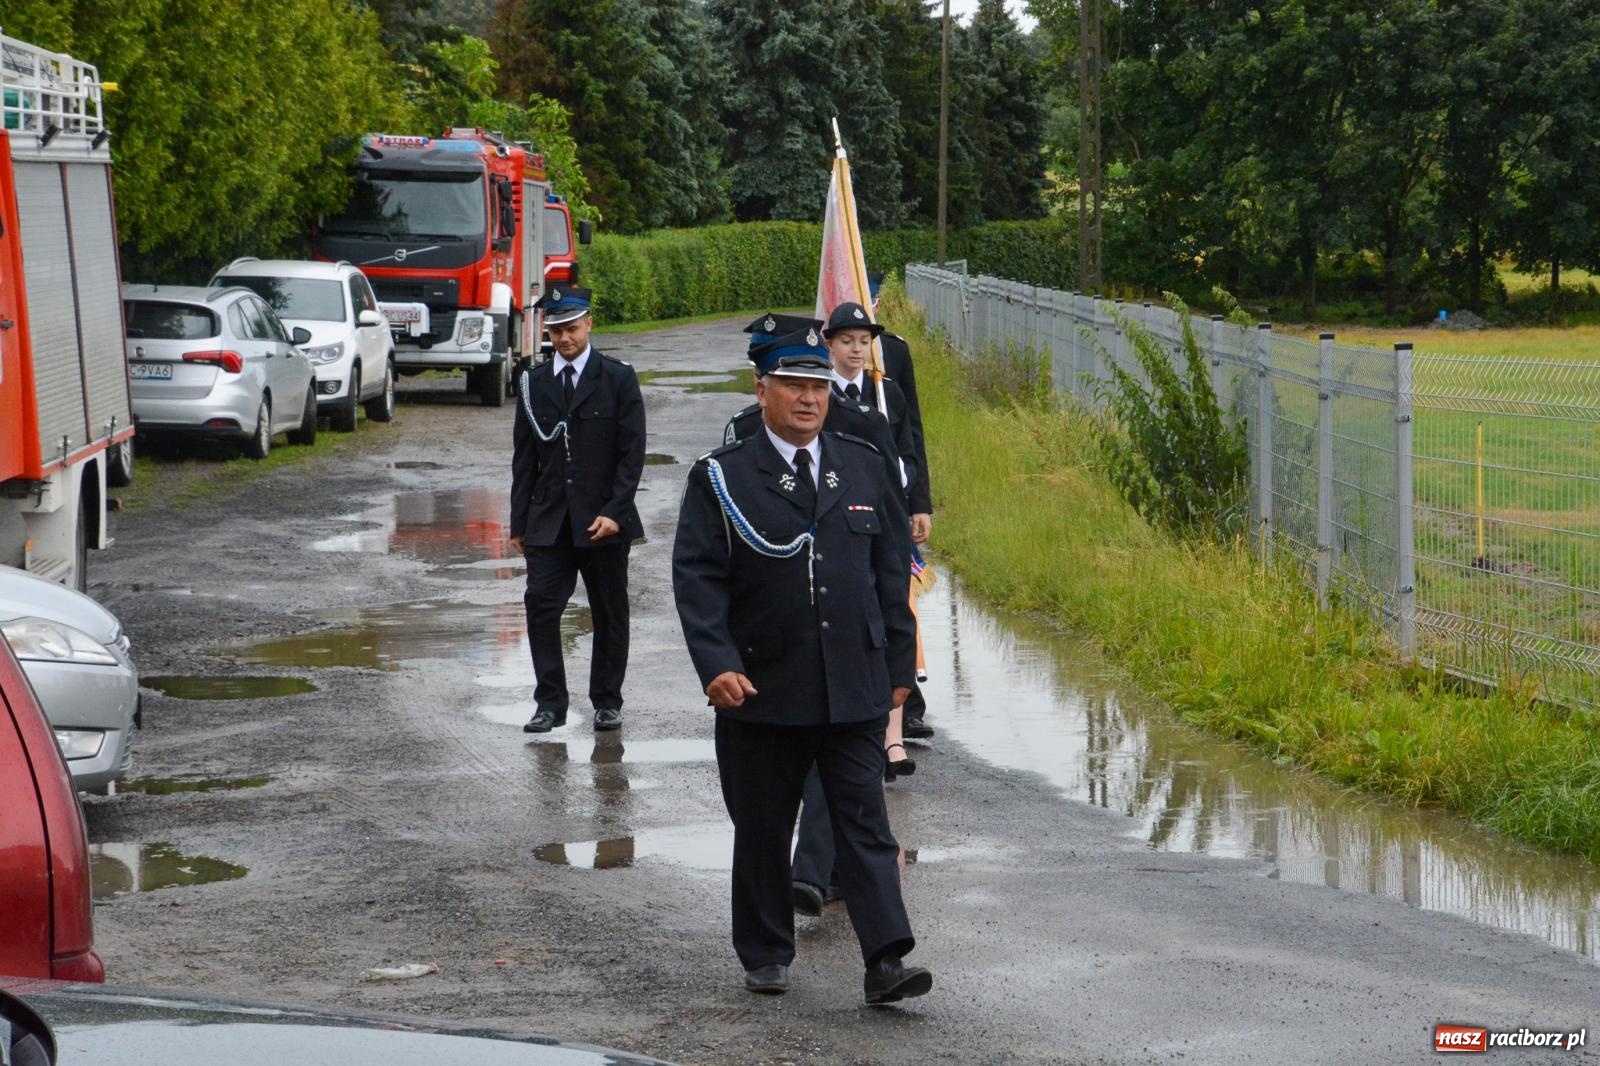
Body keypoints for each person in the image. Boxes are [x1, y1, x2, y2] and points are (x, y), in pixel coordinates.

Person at [672, 327, 933, 1005]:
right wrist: (715, 664)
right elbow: (698, 577)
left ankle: (886, 959)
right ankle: (764, 950)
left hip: (853, 682)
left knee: (865, 824)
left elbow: (889, 575)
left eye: (817, 386)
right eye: (794, 385)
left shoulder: (862, 466)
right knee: (762, 825)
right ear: (763, 390)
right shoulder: (724, 476)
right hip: (761, 685)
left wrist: (898, 670)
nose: (808, 398)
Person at [510, 286, 645, 733]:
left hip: (603, 520)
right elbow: (524, 457)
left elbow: (631, 454)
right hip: (548, 520)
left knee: (610, 611)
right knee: (541, 606)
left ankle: (607, 700)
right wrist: (518, 523)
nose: (564, 338)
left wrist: (616, 509)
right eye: (555, 331)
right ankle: (550, 703)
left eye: (571, 328)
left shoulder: (617, 378)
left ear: (589, 324)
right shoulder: (533, 382)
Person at [869, 273, 936, 741]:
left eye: (870, 298)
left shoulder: (894, 350)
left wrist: (920, 502)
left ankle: (908, 700)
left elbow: (911, 433)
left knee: (901, 596)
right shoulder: (819, 356)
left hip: (894, 500)